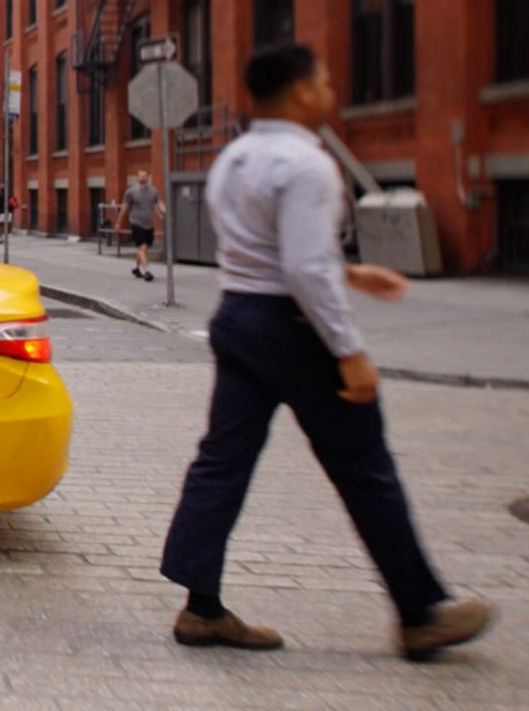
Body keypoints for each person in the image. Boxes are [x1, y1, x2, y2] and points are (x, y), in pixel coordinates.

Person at [158, 44, 489, 660]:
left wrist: (355, 274)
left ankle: (201, 607)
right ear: (303, 91)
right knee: (365, 467)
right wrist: (350, 350)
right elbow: (304, 266)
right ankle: (420, 614)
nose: (332, 89)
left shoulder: (235, 157)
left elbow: (267, 249)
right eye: (326, 81)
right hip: (291, 329)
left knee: (221, 460)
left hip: (239, 316)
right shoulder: (307, 165)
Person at [118, 170, 166, 282]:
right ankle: (147, 271)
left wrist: (164, 211)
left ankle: (137, 268)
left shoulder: (153, 191)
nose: (142, 178)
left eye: (144, 176)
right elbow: (124, 207)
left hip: (149, 224)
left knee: (144, 249)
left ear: (148, 177)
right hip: (136, 222)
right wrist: (118, 222)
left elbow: (159, 202)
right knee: (142, 247)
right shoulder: (131, 192)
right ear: (137, 177)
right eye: (140, 176)